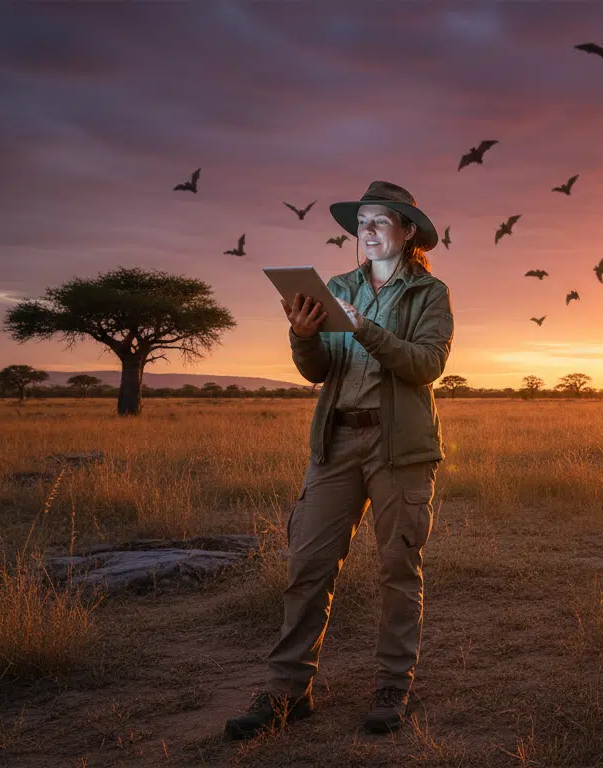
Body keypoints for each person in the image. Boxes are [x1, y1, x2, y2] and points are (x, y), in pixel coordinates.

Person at [225, 181, 454, 739]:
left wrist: (366, 330)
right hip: (336, 443)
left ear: (406, 232)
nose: (368, 231)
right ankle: (286, 692)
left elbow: (427, 364)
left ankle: (392, 688)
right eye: (363, 222)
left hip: (398, 450)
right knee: (308, 565)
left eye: (380, 222)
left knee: (398, 569)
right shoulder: (337, 286)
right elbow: (318, 369)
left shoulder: (429, 293)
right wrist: (301, 336)